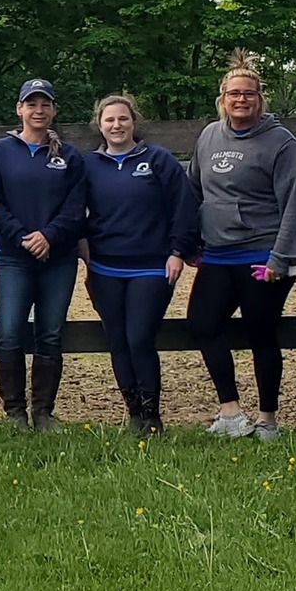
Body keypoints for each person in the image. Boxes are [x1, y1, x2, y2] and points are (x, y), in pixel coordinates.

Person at [188, 55, 296, 442]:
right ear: (222, 98)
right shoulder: (208, 136)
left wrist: (281, 257)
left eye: (249, 93)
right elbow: (193, 189)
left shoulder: (280, 142)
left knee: (261, 333)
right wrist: (191, 241)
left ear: (260, 99)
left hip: (261, 256)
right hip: (217, 254)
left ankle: (268, 419)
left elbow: (295, 202)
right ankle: (231, 412)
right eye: (233, 93)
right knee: (203, 324)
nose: (241, 99)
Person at [81, 95, 196, 436]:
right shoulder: (89, 165)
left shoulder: (157, 160)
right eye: (110, 120)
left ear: (134, 122)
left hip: (151, 266)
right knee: (117, 340)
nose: (117, 125)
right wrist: (83, 250)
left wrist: (177, 251)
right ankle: (133, 413)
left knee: (139, 337)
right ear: (99, 125)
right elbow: (74, 211)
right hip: (105, 267)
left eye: (123, 119)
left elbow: (184, 207)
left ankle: (153, 415)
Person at [0, 79, 87, 431]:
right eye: (32, 104)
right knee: (9, 332)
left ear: (54, 110)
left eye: (45, 105)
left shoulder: (69, 156)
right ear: (19, 109)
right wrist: (22, 236)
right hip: (14, 256)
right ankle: (14, 411)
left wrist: (50, 236)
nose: (38, 111)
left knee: (50, 333)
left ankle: (43, 411)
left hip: (57, 258)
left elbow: (76, 208)